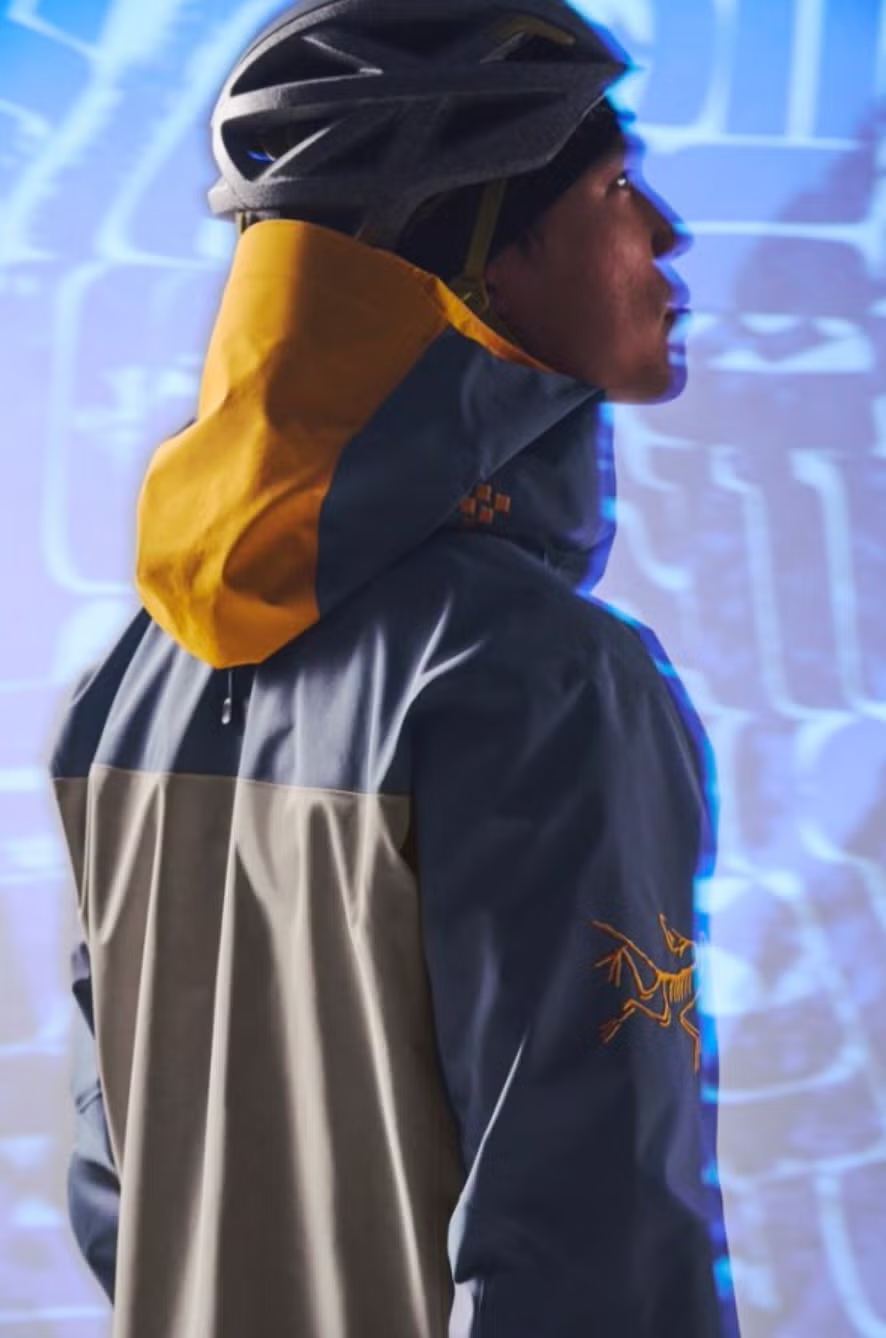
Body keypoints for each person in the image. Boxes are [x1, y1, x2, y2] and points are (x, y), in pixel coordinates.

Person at [50, 1, 741, 1334]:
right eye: (613, 188)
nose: (665, 232)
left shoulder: (130, 682)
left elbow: (121, 1195)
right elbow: (591, 1240)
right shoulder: (545, 679)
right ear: (476, 269)